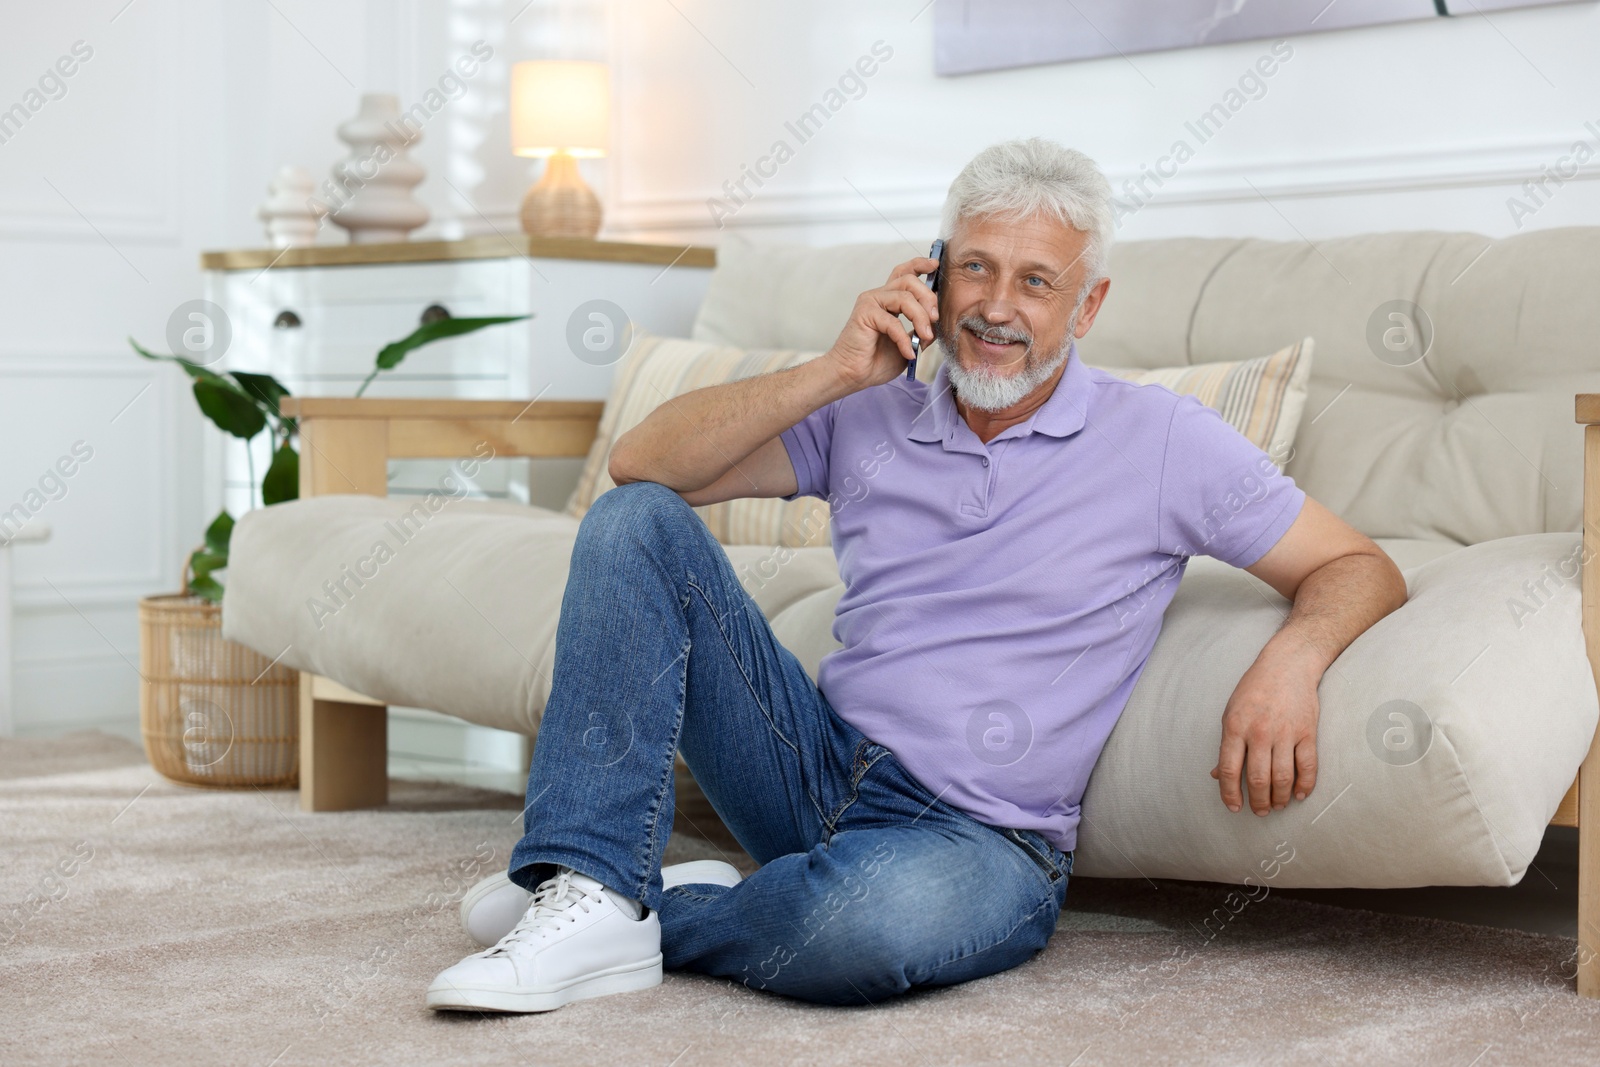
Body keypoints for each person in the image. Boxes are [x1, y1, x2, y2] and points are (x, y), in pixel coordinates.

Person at [426, 137, 1407, 1013]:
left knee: (859, 932)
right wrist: (834, 370)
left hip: (979, 836)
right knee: (632, 523)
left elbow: (1352, 563)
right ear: (932, 274)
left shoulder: (1163, 439)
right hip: (813, 766)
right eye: (974, 268)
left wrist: (1292, 661)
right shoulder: (869, 410)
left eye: (1034, 281)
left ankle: (623, 898)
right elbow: (642, 467)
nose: (995, 306)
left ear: (1088, 304)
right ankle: (591, 878)